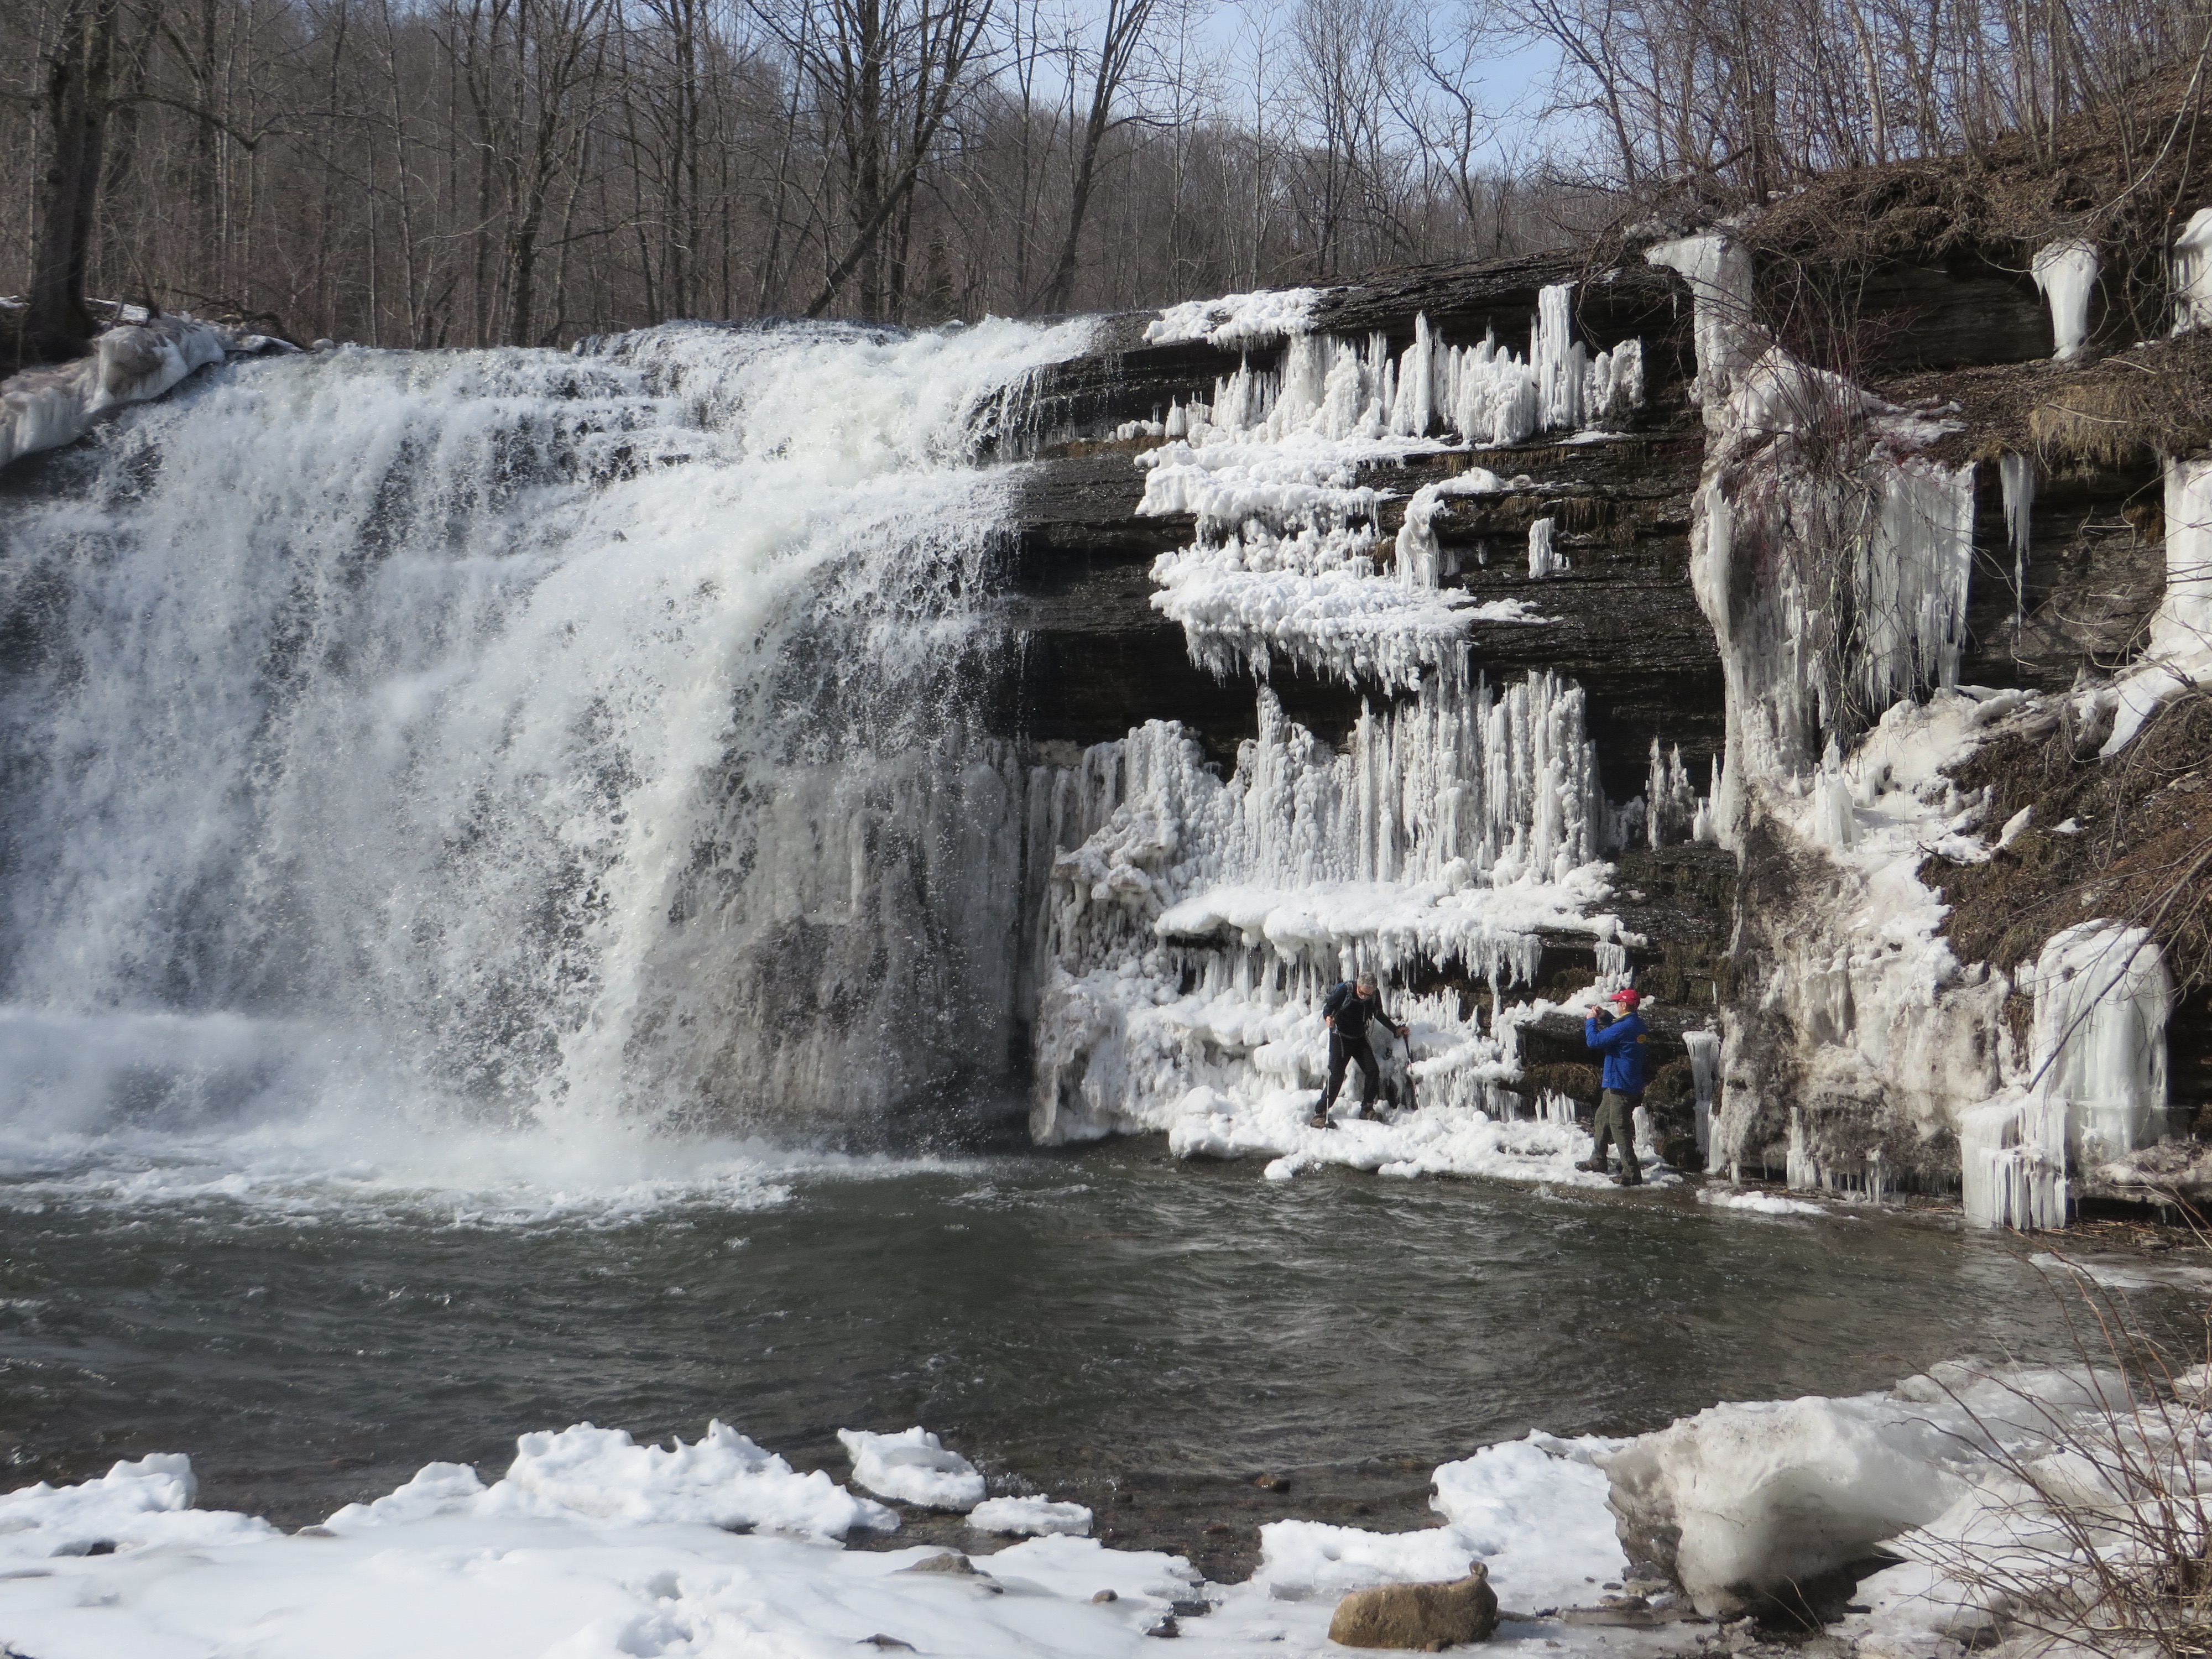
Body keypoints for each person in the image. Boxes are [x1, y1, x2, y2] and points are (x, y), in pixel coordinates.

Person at [1312, 973, 1409, 1128]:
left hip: (1359, 1038)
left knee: (1372, 1070)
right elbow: (1329, 1007)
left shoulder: (1374, 995)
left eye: (1368, 995)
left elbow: (1378, 1014)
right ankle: (1320, 1113)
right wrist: (1328, 1018)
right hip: (1340, 1037)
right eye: (1362, 993)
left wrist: (1395, 1030)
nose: (1364, 997)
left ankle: (1367, 1109)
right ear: (1358, 985)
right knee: (1337, 1075)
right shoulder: (1346, 990)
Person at [1579, 987, 1650, 1185]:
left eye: (1618, 1002)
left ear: (1624, 1005)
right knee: (1602, 1119)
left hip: (1620, 1083)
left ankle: (1631, 1172)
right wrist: (1605, 1016)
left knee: (1619, 1127)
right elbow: (1618, 1029)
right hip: (1623, 1081)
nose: (1617, 1004)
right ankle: (1598, 1160)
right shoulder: (1636, 1024)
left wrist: (1591, 1021)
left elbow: (1594, 1041)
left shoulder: (1624, 1027)